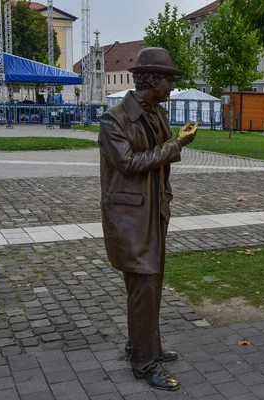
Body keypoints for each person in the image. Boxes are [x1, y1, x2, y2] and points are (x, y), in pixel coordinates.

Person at [99, 47, 198, 390]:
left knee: (150, 285)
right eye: (169, 80)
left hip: (153, 213)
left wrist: (166, 196)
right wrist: (177, 145)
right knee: (142, 285)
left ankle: (143, 345)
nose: (171, 87)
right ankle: (144, 361)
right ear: (152, 80)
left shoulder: (156, 113)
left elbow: (158, 168)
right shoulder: (114, 119)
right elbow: (128, 164)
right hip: (128, 217)